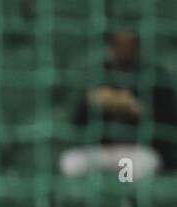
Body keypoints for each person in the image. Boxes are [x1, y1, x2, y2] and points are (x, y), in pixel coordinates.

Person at [59, 29, 176, 179]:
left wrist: (137, 110)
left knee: (138, 167)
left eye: (129, 44)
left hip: (135, 151)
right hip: (102, 151)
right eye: (119, 44)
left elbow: (168, 123)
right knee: (71, 162)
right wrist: (93, 103)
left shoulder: (153, 75)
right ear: (111, 46)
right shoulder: (98, 74)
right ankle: (87, 200)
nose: (124, 49)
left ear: (137, 46)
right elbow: (78, 124)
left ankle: (126, 200)